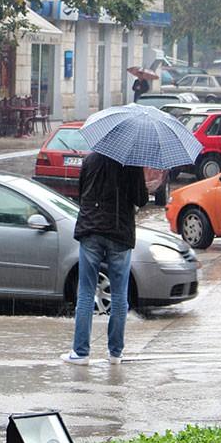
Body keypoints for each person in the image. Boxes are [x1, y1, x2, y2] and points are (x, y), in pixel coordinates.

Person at [61, 152, 148, 366]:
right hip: (120, 233)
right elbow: (141, 199)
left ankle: (80, 353)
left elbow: (82, 194)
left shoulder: (90, 160)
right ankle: (115, 353)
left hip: (91, 230)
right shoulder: (132, 163)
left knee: (85, 291)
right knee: (120, 295)